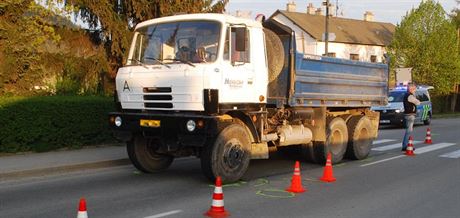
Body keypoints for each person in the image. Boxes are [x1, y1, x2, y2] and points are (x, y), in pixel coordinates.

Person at [401, 83, 421, 151]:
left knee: (408, 130)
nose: (415, 90)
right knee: (409, 131)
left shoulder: (407, 95)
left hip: (408, 114)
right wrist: (415, 96)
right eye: (414, 89)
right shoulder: (410, 96)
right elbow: (417, 102)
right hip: (410, 115)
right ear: (411, 89)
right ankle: (405, 145)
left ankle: (405, 145)